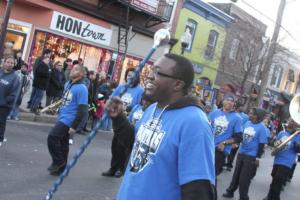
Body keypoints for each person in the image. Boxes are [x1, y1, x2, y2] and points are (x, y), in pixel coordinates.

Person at [106, 54, 215, 200]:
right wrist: (119, 118)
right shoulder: (152, 109)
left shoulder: (195, 123)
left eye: (157, 72)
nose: (149, 76)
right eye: (151, 70)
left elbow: (199, 189)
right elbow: (136, 144)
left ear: (177, 84)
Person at [102, 68, 144, 177]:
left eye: (133, 75)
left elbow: (140, 106)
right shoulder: (121, 88)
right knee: (114, 146)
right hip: (118, 121)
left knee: (122, 147)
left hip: (128, 123)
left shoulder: (140, 91)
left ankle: (120, 168)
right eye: (128, 75)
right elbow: (112, 99)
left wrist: (128, 108)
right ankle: (113, 167)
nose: (130, 77)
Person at [47, 64, 88, 175]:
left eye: (75, 69)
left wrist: (74, 126)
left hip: (69, 119)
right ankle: (61, 169)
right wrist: (56, 108)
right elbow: (64, 100)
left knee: (52, 137)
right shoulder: (68, 84)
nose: (71, 70)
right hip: (62, 116)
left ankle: (58, 162)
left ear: (81, 74)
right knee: (63, 143)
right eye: (72, 68)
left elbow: (83, 109)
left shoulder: (82, 88)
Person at [222, 108, 268, 200]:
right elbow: (241, 136)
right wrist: (236, 143)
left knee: (244, 178)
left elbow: (261, 145)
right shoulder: (247, 123)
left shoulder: (262, 128)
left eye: (251, 113)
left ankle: (243, 197)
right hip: (241, 153)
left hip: (251, 156)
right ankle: (230, 191)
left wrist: (258, 159)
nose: (249, 115)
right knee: (236, 174)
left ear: (257, 116)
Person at [263, 118, 300, 200]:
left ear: (296, 124)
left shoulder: (298, 135)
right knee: (274, 177)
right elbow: (275, 144)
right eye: (290, 120)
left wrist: (295, 144)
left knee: (278, 179)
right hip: (278, 160)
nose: (290, 122)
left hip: (287, 162)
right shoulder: (282, 133)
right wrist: (278, 143)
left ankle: (274, 197)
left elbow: (298, 150)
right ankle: (270, 196)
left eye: (293, 121)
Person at [208, 93, 243, 176]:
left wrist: (224, 143)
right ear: (223, 101)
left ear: (234, 104)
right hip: (208, 147)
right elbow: (207, 128)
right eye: (227, 99)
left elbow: (239, 138)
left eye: (232, 101)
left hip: (220, 150)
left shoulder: (237, 118)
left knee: (212, 175)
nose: (229, 102)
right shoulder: (215, 113)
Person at [0, 56, 21, 147]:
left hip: (5, 105)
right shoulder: (0, 73)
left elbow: (14, 93)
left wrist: (5, 101)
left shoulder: (15, 77)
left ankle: (0, 138)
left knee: (1, 122)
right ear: (4, 63)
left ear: (14, 65)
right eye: (8, 62)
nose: (9, 64)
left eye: (11, 63)